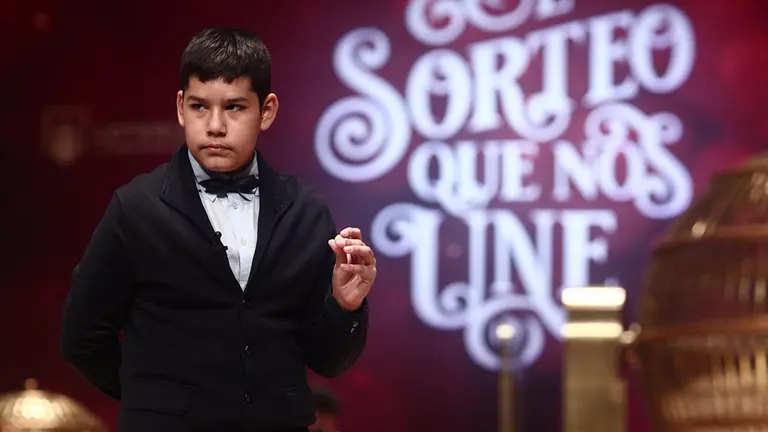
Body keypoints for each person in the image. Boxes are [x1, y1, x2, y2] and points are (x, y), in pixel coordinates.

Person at [60, 26, 374, 432]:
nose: (215, 126)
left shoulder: (305, 211)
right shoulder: (136, 207)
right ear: (179, 108)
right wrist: (155, 400)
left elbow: (328, 359)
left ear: (268, 110)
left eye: (235, 107)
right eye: (199, 107)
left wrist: (345, 306)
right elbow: (81, 338)